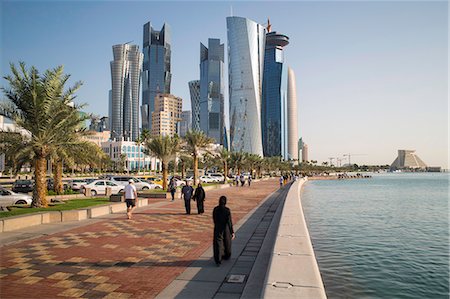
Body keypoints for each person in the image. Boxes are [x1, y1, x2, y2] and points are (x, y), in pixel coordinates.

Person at [213, 196, 235, 266]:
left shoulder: (215, 209)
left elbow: (214, 218)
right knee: (227, 242)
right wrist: (232, 232)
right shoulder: (227, 210)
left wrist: (217, 224)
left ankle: (218, 260)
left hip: (218, 227)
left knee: (218, 244)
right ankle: (226, 255)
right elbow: (229, 222)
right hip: (226, 228)